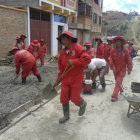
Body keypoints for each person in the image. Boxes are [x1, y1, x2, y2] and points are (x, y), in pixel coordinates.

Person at [56, 30, 91, 123]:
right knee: (63, 98)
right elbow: (61, 68)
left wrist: (74, 61)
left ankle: (82, 104)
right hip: (66, 79)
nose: (62, 41)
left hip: (76, 78)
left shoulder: (77, 48)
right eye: (61, 39)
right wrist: (58, 79)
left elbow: (87, 59)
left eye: (63, 39)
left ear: (69, 39)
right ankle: (66, 116)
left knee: (74, 98)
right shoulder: (62, 52)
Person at [110, 36, 132, 102]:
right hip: (115, 70)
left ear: (121, 43)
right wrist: (112, 67)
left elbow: (129, 60)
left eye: (119, 41)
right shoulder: (113, 51)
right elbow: (111, 60)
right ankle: (121, 89)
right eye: (117, 41)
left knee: (118, 81)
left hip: (122, 69)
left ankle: (114, 95)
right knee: (117, 81)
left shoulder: (125, 51)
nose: (118, 42)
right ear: (115, 43)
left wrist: (129, 69)